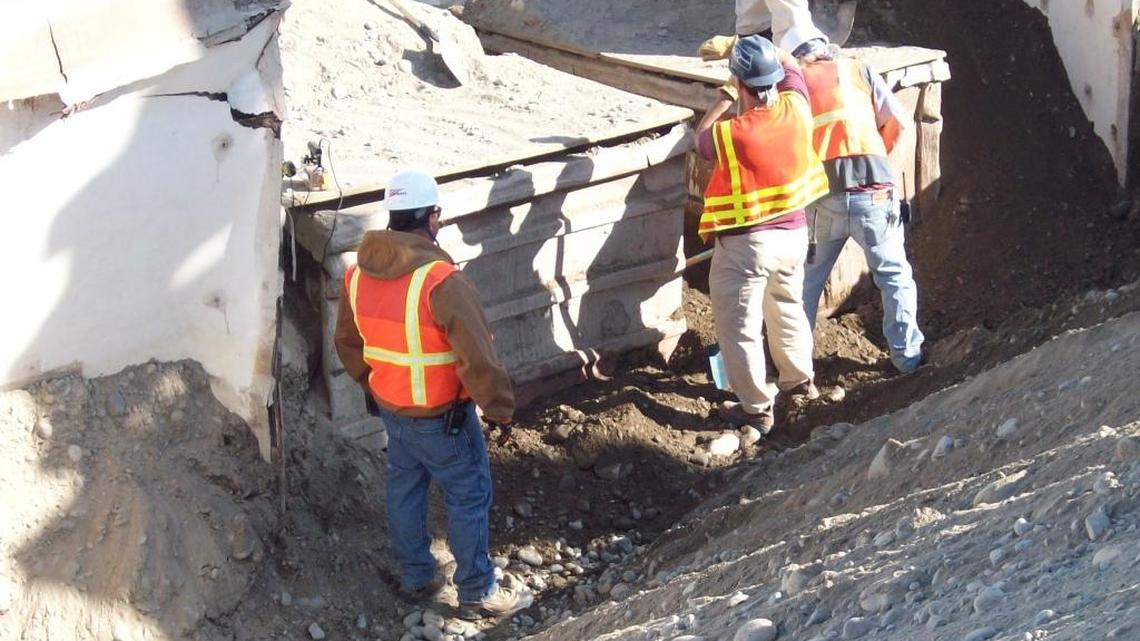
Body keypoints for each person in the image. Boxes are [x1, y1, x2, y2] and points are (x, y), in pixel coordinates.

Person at [334, 169, 530, 619]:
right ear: (433, 216)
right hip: (444, 418)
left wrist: (374, 384)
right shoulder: (441, 281)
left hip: (393, 412)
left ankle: (417, 575)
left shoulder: (358, 276)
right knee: (468, 495)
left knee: (405, 489)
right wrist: (499, 408)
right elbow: (478, 357)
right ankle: (478, 591)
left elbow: (347, 342)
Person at [693, 35, 830, 432]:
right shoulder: (797, 108)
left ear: (740, 85)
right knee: (787, 307)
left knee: (740, 326)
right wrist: (746, 46)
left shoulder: (736, 133)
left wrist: (724, 93)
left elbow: (700, 138)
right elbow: (791, 66)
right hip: (794, 235)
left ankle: (755, 407)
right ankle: (800, 383)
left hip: (747, 245)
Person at [781, 23, 925, 373]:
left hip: (822, 198)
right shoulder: (859, 69)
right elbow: (899, 125)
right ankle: (907, 360)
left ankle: (794, 370)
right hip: (873, 194)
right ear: (823, 47)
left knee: (806, 283)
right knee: (894, 275)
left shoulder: (793, 84)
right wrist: (877, 163)